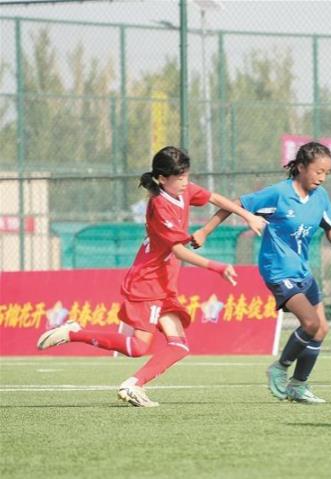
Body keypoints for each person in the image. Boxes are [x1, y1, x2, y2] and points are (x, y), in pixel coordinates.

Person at [37, 146, 267, 407]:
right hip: (148, 282)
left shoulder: (182, 191)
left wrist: (247, 216)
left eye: (186, 176)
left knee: (178, 346)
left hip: (164, 283)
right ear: (162, 178)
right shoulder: (159, 205)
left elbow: (214, 198)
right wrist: (217, 266)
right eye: (179, 177)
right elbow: (178, 250)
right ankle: (76, 334)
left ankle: (133, 385)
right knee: (138, 347)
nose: (185, 182)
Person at [193, 142, 331, 404]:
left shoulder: (320, 197)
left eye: (327, 173)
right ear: (301, 167)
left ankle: (298, 385)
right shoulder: (278, 194)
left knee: (321, 329)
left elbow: (330, 227)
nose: (322, 178)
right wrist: (204, 231)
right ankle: (279, 368)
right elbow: (234, 205)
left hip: (303, 271)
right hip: (278, 271)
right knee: (310, 323)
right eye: (318, 172)